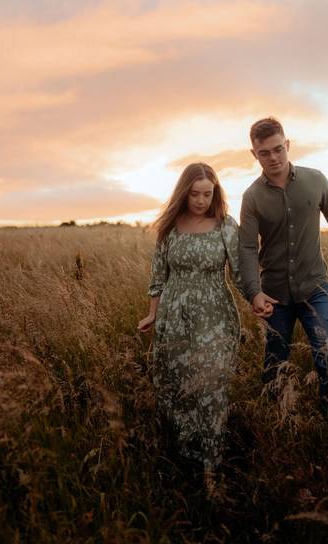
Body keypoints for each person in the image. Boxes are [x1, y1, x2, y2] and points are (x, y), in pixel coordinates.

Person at [238, 117, 328, 420]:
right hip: (274, 295)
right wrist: (254, 293)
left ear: (287, 145)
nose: (273, 158)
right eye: (265, 153)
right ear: (254, 155)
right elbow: (248, 248)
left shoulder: (316, 180)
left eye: (278, 149)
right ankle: (276, 424)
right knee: (275, 366)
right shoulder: (251, 197)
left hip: (316, 288)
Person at [137, 162, 251, 496]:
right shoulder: (170, 227)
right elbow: (159, 277)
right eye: (195, 193)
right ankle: (185, 460)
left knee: (212, 389)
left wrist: (257, 298)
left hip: (215, 315)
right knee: (176, 388)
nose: (201, 200)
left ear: (215, 193)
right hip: (174, 316)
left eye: (207, 194)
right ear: (183, 191)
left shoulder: (226, 226)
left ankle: (211, 471)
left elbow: (242, 275)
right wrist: (152, 314)